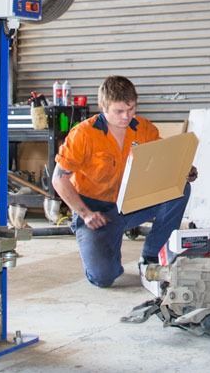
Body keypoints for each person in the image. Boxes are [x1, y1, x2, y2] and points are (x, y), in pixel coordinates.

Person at [52, 75, 197, 287]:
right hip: (96, 211)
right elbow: (59, 179)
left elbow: (161, 162)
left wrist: (183, 169)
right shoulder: (83, 134)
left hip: (131, 203)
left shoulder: (144, 129)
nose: (126, 116)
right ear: (103, 107)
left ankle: (152, 256)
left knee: (181, 189)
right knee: (103, 277)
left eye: (131, 109)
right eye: (119, 111)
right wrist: (85, 213)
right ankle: (107, 242)